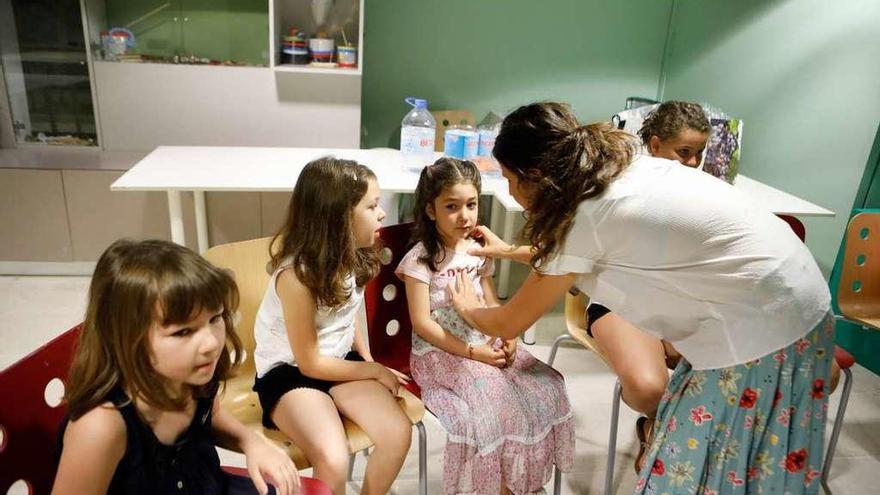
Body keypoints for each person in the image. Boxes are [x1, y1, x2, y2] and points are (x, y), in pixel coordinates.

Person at [449, 102, 833, 494]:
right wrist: (508, 251)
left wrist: (467, 306)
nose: (511, 193)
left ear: (537, 176)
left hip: (765, 327)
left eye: (511, 180)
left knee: (700, 466)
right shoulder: (615, 166)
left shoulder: (584, 215)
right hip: (798, 295)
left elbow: (510, 321)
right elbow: (582, 255)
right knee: (725, 452)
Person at [53, 239, 299, 495]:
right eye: (182, 332)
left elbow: (211, 416)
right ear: (125, 338)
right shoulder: (100, 428)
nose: (211, 343)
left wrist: (251, 442)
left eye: (215, 318)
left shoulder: (193, 376)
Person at [396, 157, 574, 495]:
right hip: (441, 353)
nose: (465, 215)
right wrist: (473, 352)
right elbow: (422, 324)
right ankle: (499, 487)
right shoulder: (420, 261)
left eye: (471, 204)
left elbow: (492, 302)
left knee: (547, 386)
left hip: (484, 340)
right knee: (500, 402)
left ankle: (522, 483)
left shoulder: (479, 251)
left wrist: (508, 336)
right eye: (452, 206)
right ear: (431, 211)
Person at [252, 157, 412, 495]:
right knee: (333, 457)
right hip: (291, 372)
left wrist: (367, 358)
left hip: (336, 360)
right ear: (338, 218)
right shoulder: (296, 276)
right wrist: (371, 371)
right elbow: (309, 362)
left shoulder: (351, 252)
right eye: (372, 206)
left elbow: (346, 308)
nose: (381, 214)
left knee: (397, 433)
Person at [580, 100, 711, 471]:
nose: (691, 163)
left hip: (677, 297)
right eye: (683, 152)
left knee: (723, 365)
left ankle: (667, 431)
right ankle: (659, 424)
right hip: (618, 299)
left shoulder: (702, 193)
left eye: (698, 154)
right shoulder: (618, 188)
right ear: (654, 146)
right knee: (649, 387)